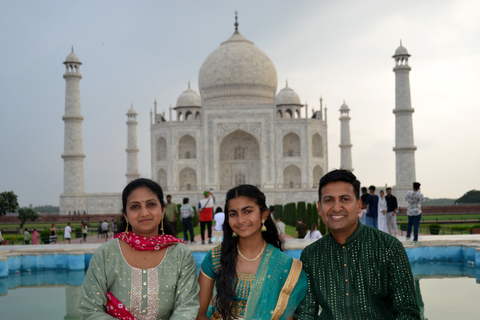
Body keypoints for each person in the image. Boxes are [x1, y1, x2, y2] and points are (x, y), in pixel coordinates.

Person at [295, 169, 420, 319]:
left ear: (359, 205)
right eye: (329, 200)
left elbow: (407, 311)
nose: (336, 208)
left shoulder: (387, 247)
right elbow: (306, 313)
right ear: (319, 207)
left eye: (345, 199)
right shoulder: (311, 255)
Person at [79, 178, 200, 319]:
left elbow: (187, 307)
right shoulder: (106, 253)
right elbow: (89, 309)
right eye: (135, 207)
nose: (144, 213)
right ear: (125, 214)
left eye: (151, 204)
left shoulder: (180, 253)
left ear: (163, 210)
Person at [197, 184, 308, 320]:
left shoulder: (283, 265)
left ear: (264, 214)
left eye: (247, 211)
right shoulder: (216, 257)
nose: (240, 220)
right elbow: (199, 313)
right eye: (233, 214)